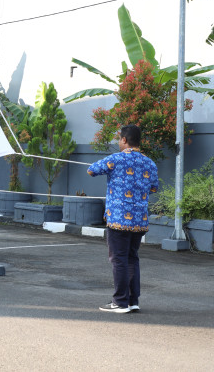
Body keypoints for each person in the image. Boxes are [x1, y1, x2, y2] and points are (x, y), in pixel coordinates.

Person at [87, 124, 158, 314]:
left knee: (118, 259)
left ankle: (119, 302)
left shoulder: (115, 159)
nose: (119, 142)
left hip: (118, 219)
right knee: (132, 258)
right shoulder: (150, 163)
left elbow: (91, 170)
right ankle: (132, 301)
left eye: (119, 139)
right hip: (139, 220)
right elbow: (154, 188)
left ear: (125, 140)